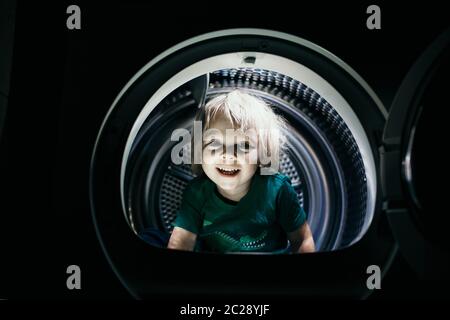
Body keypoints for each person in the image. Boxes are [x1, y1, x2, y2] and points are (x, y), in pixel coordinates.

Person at [167, 89, 315, 254]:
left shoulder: (277, 190)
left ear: (262, 154)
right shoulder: (196, 193)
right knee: (151, 238)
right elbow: (182, 242)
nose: (228, 155)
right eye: (214, 143)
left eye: (244, 145)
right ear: (199, 150)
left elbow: (302, 239)